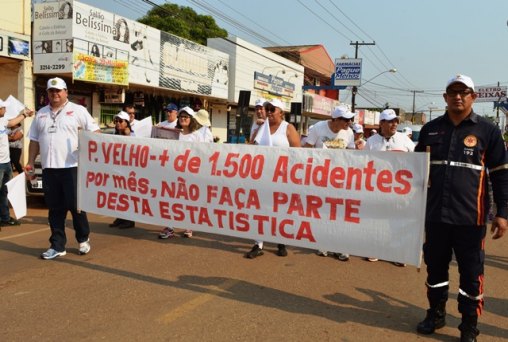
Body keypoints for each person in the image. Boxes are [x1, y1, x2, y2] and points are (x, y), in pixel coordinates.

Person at [414, 74, 508, 341]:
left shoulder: (488, 131)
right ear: (445, 97)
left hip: (471, 218)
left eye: (463, 92)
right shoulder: (430, 129)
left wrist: (502, 213)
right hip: (435, 218)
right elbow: (414, 171)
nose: (458, 96)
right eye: (452, 92)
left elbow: (501, 174)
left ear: (473, 97)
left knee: (471, 274)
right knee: (435, 270)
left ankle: (469, 325)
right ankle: (436, 313)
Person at [27, 77, 100, 260]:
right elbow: (34, 141)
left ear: (66, 91)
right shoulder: (41, 114)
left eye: (58, 90)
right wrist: (29, 162)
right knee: (55, 208)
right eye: (51, 91)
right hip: (49, 169)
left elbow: (95, 133)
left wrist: (86, 146)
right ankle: (57, 245)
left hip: (72, 167)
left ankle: (83, 238)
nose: (55, 94)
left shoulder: (78, 111)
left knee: (76, 206)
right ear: (48, 93)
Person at [246, 99, 301, 259]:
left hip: (282, 177)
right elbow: (251, 149)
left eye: (272, 109)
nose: (268, 112)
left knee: (280, 210)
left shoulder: (288, 128)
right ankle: (258, 243)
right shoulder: (260, 128)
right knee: (259, 209)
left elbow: (299, 153)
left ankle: (280, 241)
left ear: (281, 112)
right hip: (262, 177)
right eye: (267, 109)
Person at [304, 104, 356, 261]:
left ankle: (340, 246)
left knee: (340, 212)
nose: (349, 122)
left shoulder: (349, 133)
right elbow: (307, 148)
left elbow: (352, 154)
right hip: (320, 178)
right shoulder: (318, 128)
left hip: (341, 179)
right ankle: (323, 243)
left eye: (350, 119)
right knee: (324, 211)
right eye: (345, 119)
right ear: (335, 119)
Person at [364, 108, 414, 266]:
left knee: (398, 221)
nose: (394, 124)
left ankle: (397, 253)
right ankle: (375, 249)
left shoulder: (405, 140)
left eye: (396, 121)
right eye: (390, 121)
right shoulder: (371, 142)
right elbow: (364, 163)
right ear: (381, 123)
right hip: (377, 188)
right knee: (376, 220)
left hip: (399, 189)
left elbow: (417, 161)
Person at [158, 106, 210, 239]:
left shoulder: (197, 135)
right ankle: (169, 227)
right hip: (173, 173)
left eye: (186, 117)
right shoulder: (174, 134)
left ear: (191, 119)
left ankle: (189, 225)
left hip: (190, 174)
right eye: (181, 116)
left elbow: (202, 154)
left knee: (188, 201)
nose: (183, 119)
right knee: (171, 200)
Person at [0, 99, 34, 230]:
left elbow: (14, 122)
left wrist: (25, 114)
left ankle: (5, 218)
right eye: (3, 108)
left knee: (3, 192)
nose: (6, 110)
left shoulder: (3, 121)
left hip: (6, 163)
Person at [109, 111, 136, 229]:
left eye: (121, 121)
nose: (118, 123)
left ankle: (129, 220)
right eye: (117, 121)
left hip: (128, 171)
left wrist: (127, 136)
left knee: (127, 195)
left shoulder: (132, 135)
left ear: (127, 123)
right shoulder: (114, 134)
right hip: (117, 169)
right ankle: (120, 217)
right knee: (117, 194)